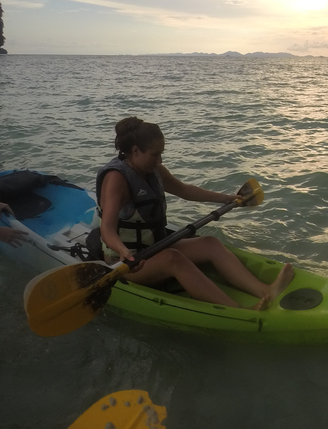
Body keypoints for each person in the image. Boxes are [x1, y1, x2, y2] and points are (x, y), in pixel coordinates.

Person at [97, 117, 294, 310]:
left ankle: (265, 291)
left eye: (161, 154)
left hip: (154, 247)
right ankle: (238, 310)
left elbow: (185, 190)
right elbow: (107, 229)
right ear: (135, 151)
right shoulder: (116, 179)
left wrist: (226, 198)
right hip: (127, 262)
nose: (160, 160)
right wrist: (123, 253)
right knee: (173, 258)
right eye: (155, 154)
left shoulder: (154, 170)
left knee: (211, 244)